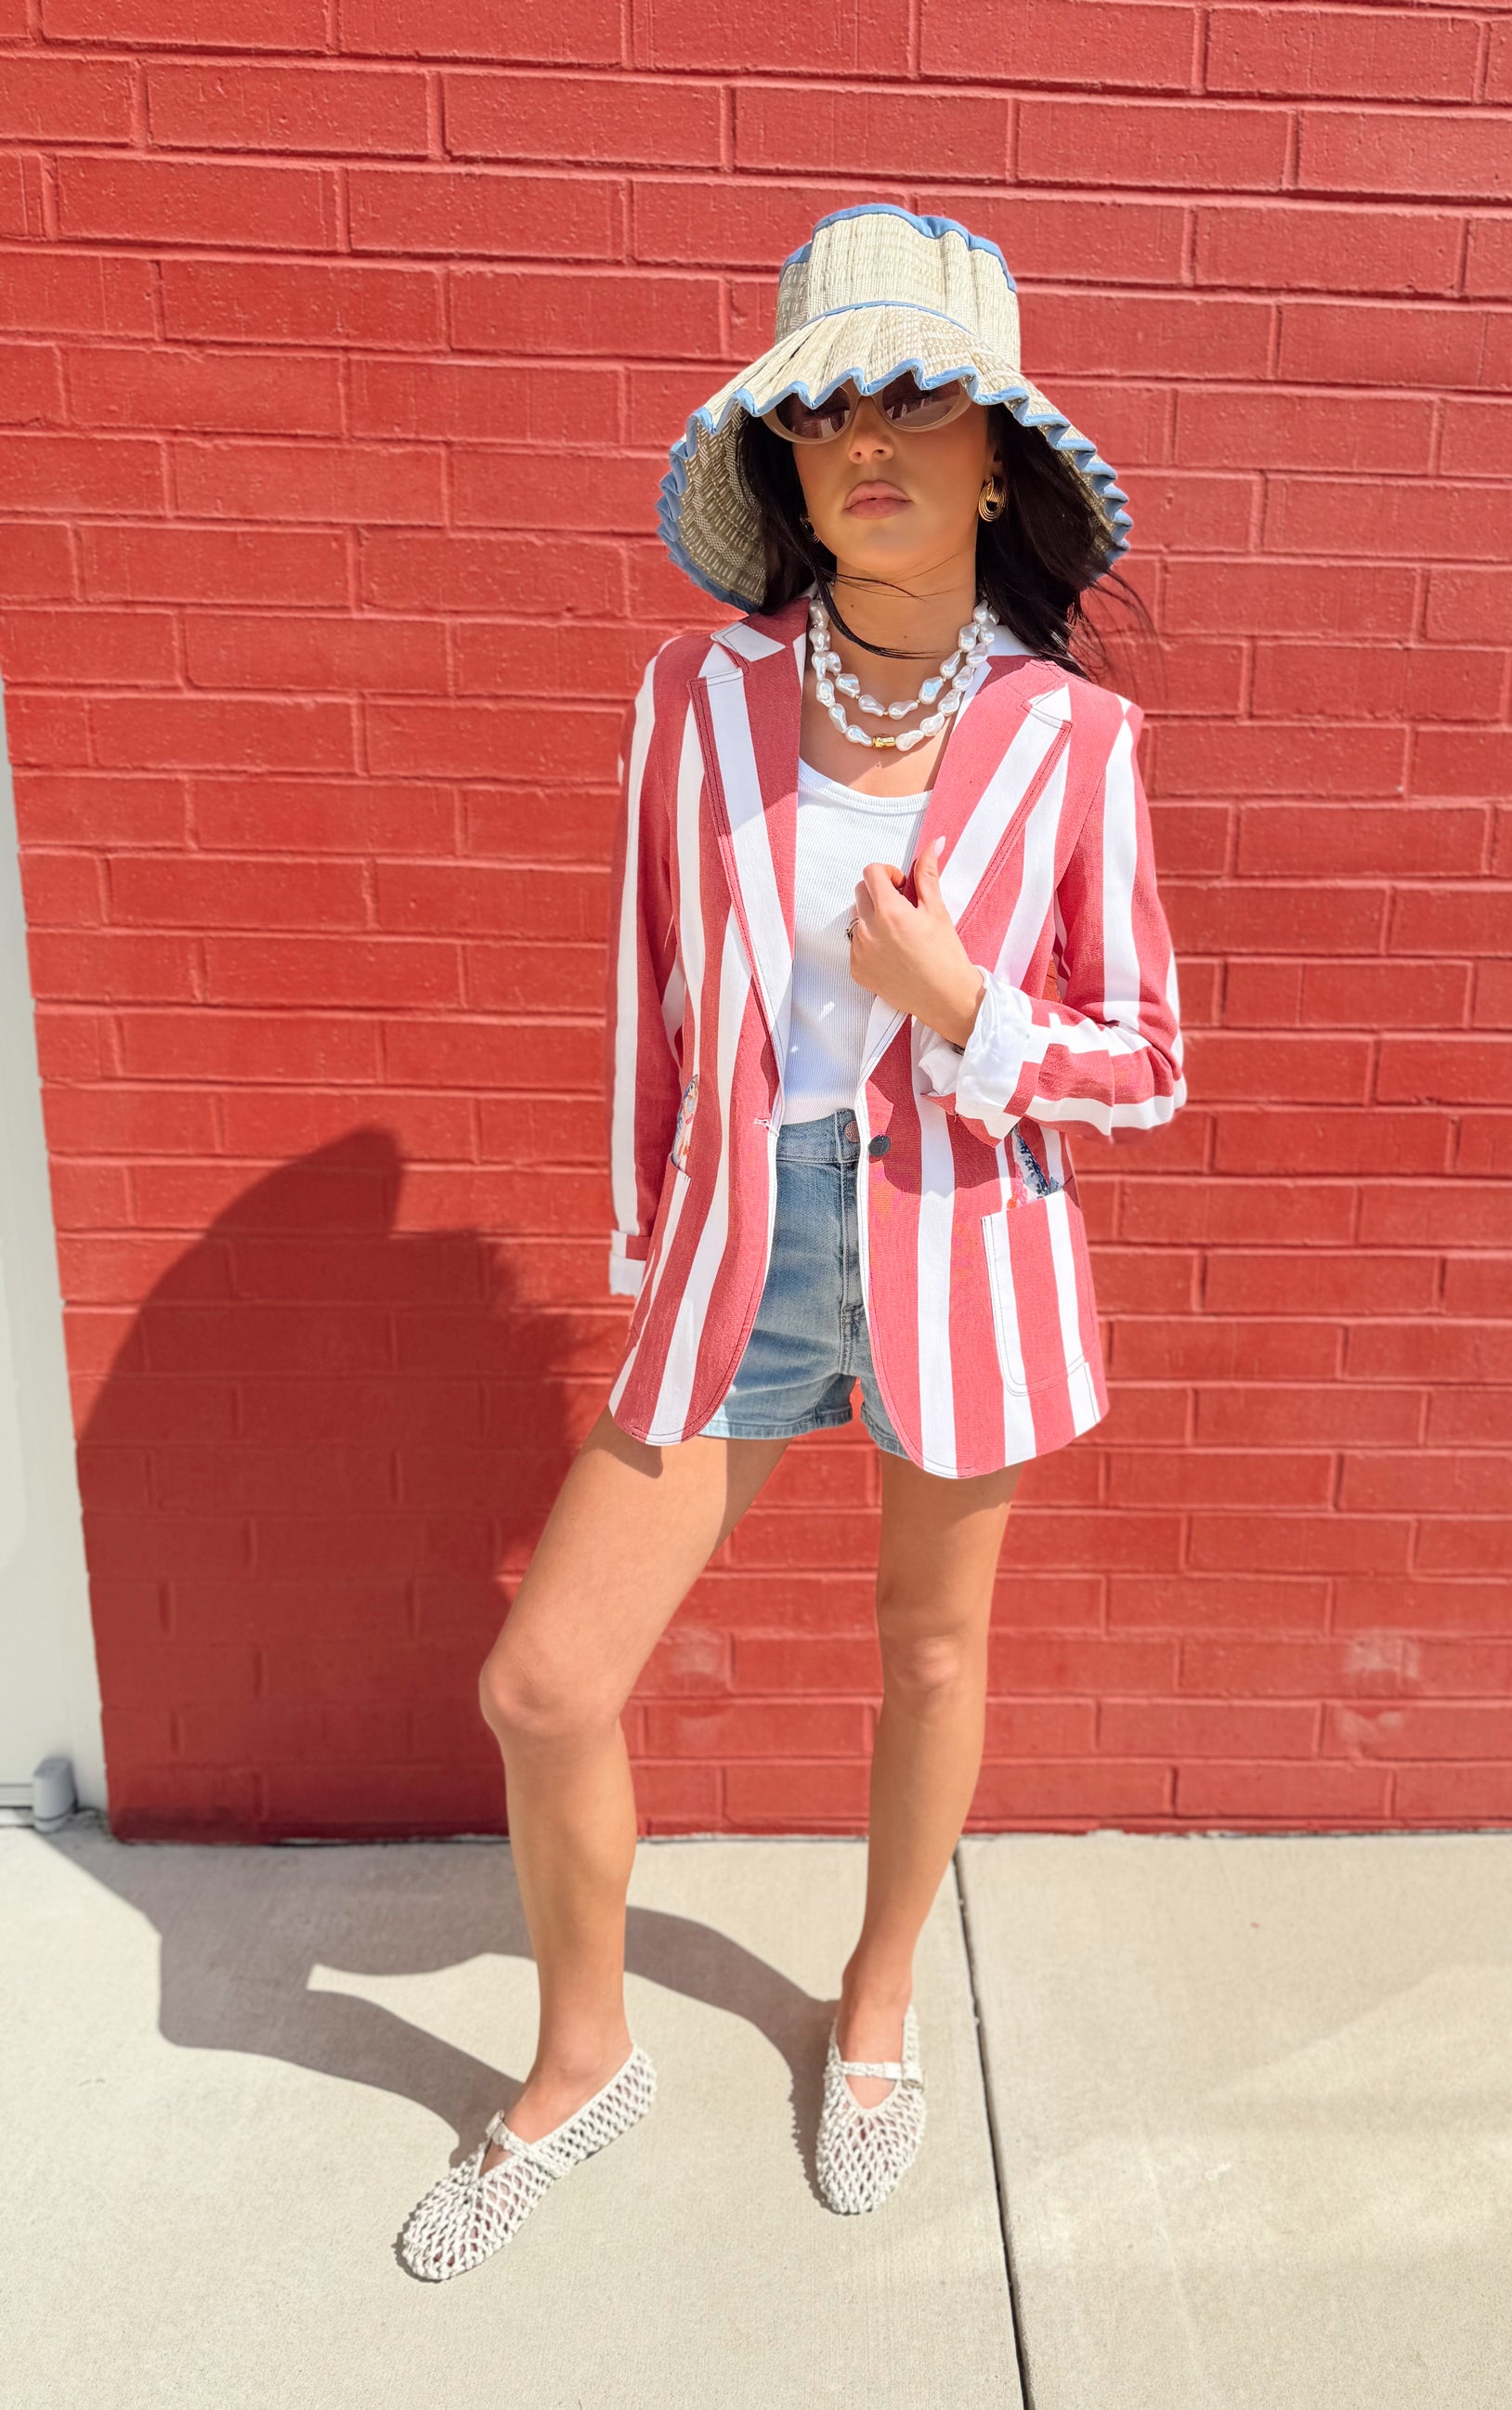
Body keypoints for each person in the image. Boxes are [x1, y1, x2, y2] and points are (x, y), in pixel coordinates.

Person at [398, 202, 1187, 2280]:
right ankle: (583, 2058)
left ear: (995, 460)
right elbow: (651, 997)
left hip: (965, 1245)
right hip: (745, 1247)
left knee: (927, 1652)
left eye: (917, 403)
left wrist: (968, 1006)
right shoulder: (699, 695)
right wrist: (649, 1238)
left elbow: (1144, 1058)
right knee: (543, 1682)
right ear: (786, 461)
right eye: (826, 411)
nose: (868, 443)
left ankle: (877, 2003)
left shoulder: (1073, 740)